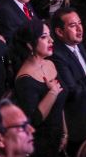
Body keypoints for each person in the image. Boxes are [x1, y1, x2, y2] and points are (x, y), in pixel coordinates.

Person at [13, 19, 68, 157]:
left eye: (50, 35)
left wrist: (65, 132)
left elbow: (60, 106)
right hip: (39, 144)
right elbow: (34, 120)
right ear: (30, 45)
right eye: (44, 37)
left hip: (57, 137)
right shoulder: (24, 79)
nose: (51, 41)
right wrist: (53, 92)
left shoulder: (50, 64)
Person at [50, 8, 86, 156]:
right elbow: (73, 92)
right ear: (59, 32)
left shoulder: (77, 44)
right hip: (75, 125)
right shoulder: (57, 56)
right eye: (72, 25)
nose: (79, 29)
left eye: (80, 23)